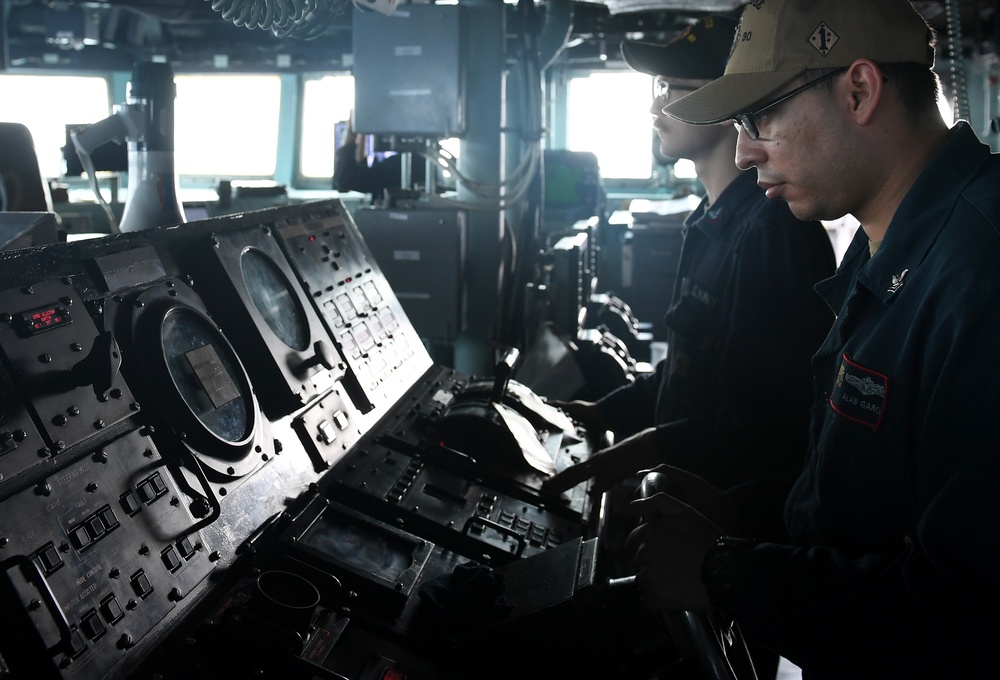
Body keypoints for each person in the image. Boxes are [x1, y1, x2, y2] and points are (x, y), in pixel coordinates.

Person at [627, 0, 1000, 677]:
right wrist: (742, 514)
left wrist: (730, 573)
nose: (744, 149)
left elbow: (965, 613)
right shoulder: (884, 246)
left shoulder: (981, 273)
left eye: (759, 114)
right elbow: (872, 503)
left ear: (859, 91)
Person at [542, 15, 836, 498]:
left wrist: (636, 452)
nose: (655, 106)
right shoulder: (712, 218)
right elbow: (691, 369)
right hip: (684, 492)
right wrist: (605, 414)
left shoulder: (770, 235)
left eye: (672, 88)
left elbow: (761, 425)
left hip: (728, 520)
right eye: (658, 87)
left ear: (727, 107)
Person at [333, 120, 427, 197]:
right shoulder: (422, 162)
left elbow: (345, 179)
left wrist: (353, 129)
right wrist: (362, 131)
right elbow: (361, 169)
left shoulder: (402, 164)